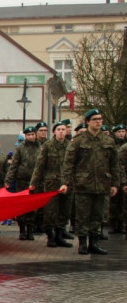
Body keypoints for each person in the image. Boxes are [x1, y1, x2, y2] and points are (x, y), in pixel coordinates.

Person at [60, 108, 123, 255]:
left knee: (98, 215)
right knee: (83, 215)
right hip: (83, 184)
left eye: (100, 119)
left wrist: (115, 184)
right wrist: (66, 182)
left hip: (102, 184)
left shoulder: (108, 140)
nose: (98, 122)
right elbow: (68, 163)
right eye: (95, 119)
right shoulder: (79, 141)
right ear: (88, 121)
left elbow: (114, 164)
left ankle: (94, 243)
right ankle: (82, 244)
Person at [29, 119, 73, 247]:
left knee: (64, 211)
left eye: (63, 130)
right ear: (54, 132)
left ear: (66, 132)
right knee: (51, 211)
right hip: (51, 183)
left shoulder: (70, 146)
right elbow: (40, 166)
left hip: (67, 183)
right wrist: (34, 182)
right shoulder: (48, 146)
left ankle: (60, 235)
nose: (61, 132)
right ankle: (50, 236)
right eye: (58, 130)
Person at [5, 125, 41, 240]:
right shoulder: (20, 149)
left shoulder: (40, 148)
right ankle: (22, 230)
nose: (31, 137)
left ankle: (30, 230)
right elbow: (14, 165)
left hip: (35, 182)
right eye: (29, 135)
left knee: (32, 207)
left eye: (33, 135)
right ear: (25, 136)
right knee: (22, 206)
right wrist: (8, 180)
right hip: (22, 181)